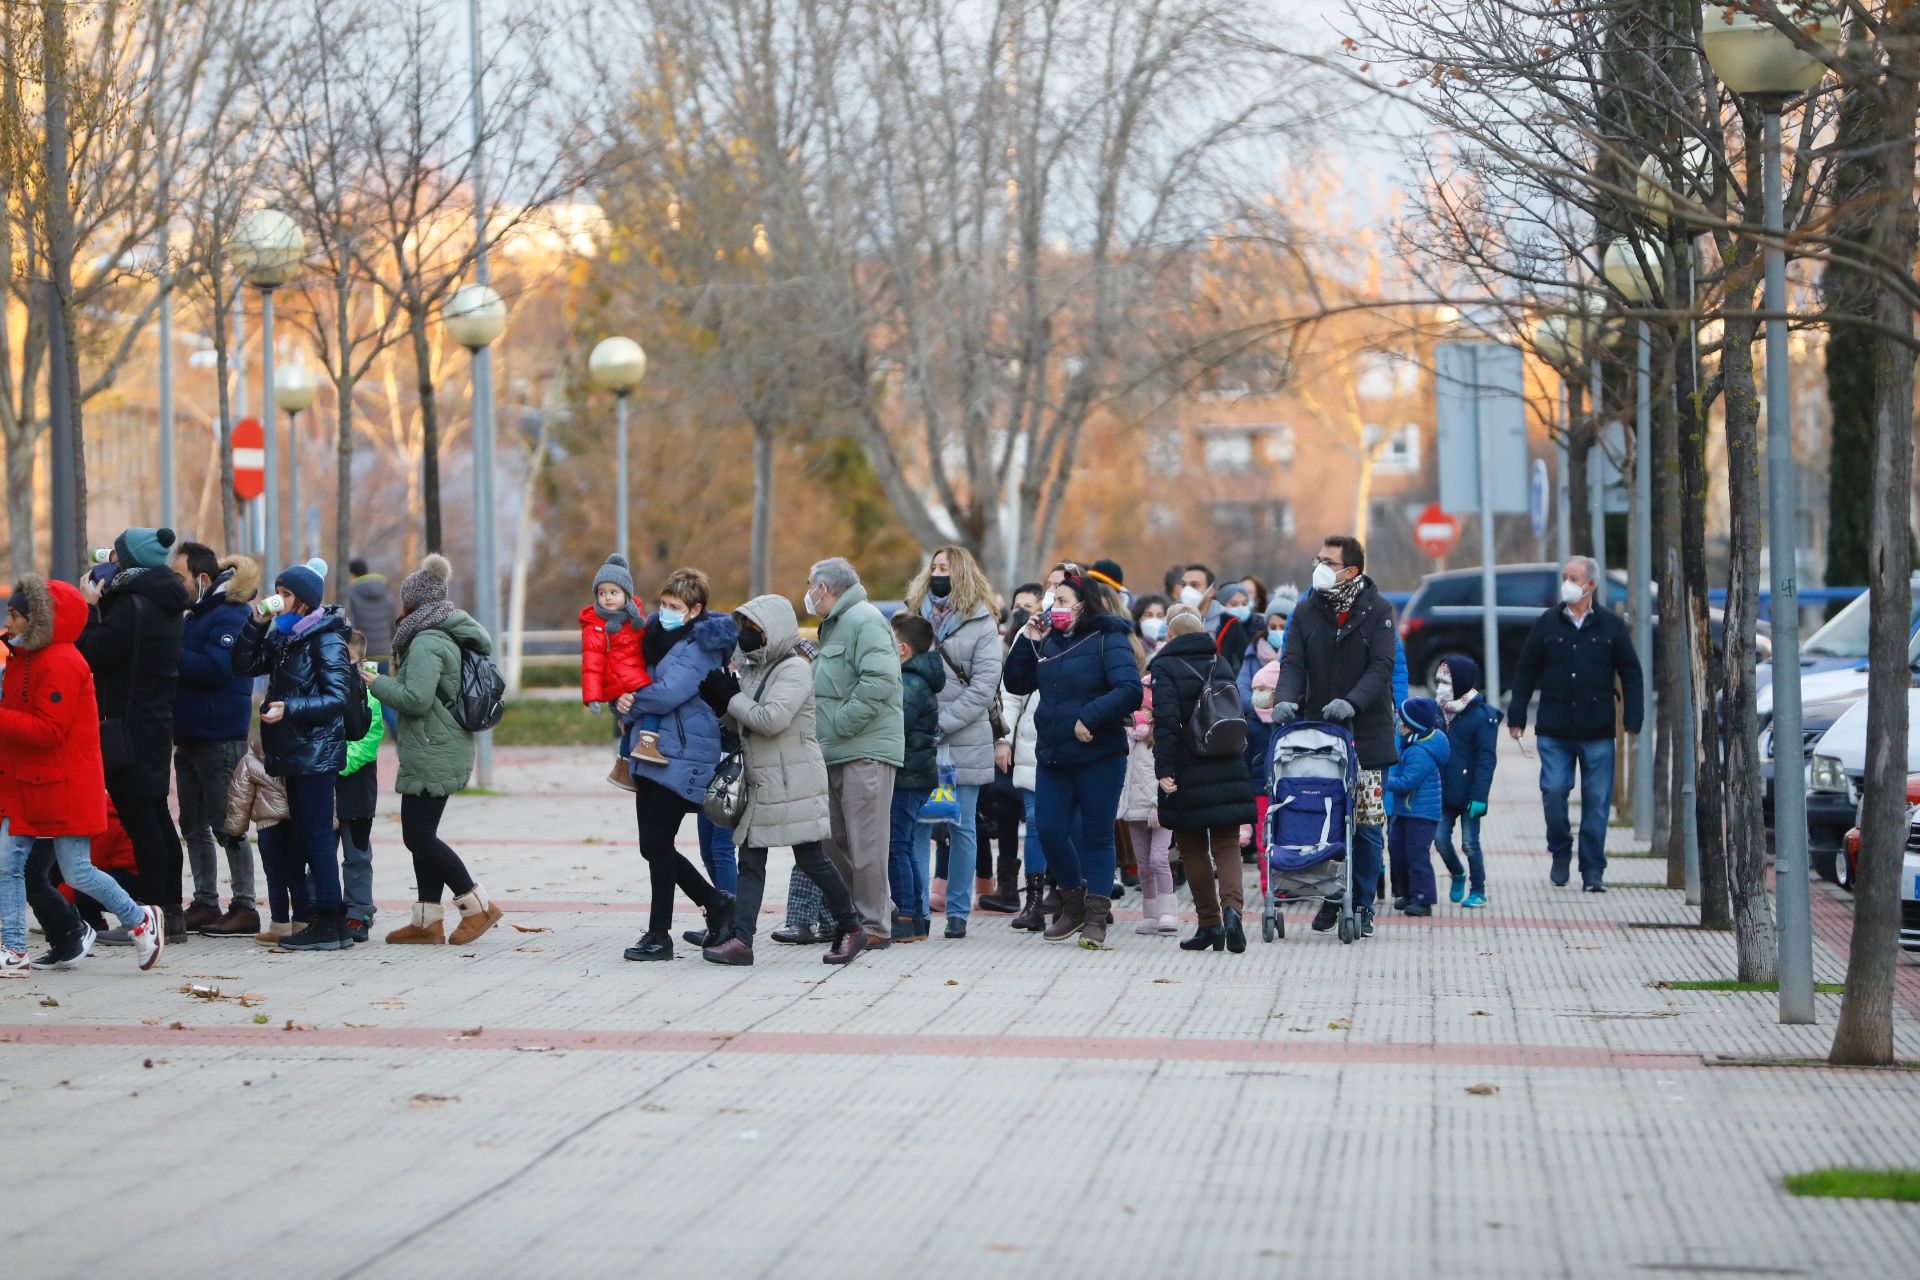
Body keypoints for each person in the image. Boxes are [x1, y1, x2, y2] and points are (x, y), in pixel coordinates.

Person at [0, 574, 165, 972]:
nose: (8, 624)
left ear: (38, 620)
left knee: (78, 871)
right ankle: (14, 948)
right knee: (8, 864)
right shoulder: (29, 658)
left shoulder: (61, 662)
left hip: (62, 786)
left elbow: (48, 730)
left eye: (16, 616)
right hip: (31, 784)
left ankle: (141, 921)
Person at [696, 594, 865, 966]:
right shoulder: (752, 668)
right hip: (762, 779)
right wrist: (720, 705)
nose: (747, 635)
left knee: (812, 859)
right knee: (751, 860)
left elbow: (771, 720)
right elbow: (744, 724)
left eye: (755, 629)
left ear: (773, 631)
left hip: (793, 778)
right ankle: (742, 941)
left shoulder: (794, 669)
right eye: (745, 628)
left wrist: (732, 700)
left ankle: (851, 926)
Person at [362, 555, 503, 946]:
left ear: (415, 604)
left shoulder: (426, 641)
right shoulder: (442, 633)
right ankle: (427, 920)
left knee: (419, 836)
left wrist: (374, 681)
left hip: (432, 746)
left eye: (404, 601)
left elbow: (415, 698)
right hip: (436, 745)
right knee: (419, 833)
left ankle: (477, 905)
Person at [1002, 569, 1142, 947]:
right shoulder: (1047, 638)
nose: (1054, 606)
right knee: (1047, 829)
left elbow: (1130, 690)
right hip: (1054, 753)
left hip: (1099, 753)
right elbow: (1017, 683)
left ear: (1084, 605)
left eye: (1062, 600)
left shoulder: (1108, 636)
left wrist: (1090, 717)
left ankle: (1095, 917)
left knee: (1096, 835)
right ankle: (1073, 901)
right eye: (1052, 598)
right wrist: (1025, 642)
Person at [1272, 535, 1399, 939]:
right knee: (1324, 815)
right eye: (1319, 559)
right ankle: (1330, 893)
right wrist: (1285, 700)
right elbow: (1292, 662)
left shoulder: (1378, 610)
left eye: (1329, 561)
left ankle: (1360, 900)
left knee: (1363, 823)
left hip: (1366, 734)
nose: (1320, 566)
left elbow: (1381, 667)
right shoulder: (1307, 610)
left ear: (1352, 570)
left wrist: (1353, 702)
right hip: (1319, 736)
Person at [229, 560, 358, 951]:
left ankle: (329, 922)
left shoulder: (327, 639)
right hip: (294, 752)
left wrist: (292, 707)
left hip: (316, 753)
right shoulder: (286, 638)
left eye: (285, 595)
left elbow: (338, 697)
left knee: (318, 839)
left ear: (304, 601)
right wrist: (255, 622)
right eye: (278, 593)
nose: (278, 601)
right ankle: (330, 925)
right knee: (309, 837)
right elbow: (244, 664)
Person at [610, 566, 738, 960]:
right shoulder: (651, 638)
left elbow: (669, 694)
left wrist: (632, 700)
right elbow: (631, 677)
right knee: (653, 846)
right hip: (648, 749)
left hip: (682, 752)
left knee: (656, 843)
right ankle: (715, 905)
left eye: (675, 606)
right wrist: (622, 698)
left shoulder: (702, 645)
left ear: (695, 609)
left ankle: (660, 935)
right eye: (663, 603)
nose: (665, 611)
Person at [1505, 555, 1644, 892]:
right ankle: (1560, 848)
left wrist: (1633, 717)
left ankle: (1593, 869)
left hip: (1597, 730)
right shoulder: (1547, 623)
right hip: (1554, 728)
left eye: (1574, 577)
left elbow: (1631, 671)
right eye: (1565, 576)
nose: (1567, 581)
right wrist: (1518, 715)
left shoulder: (1611, 625)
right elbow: (1525, 670)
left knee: (1597, 802)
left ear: (1590, 585)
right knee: (1553, 791)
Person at [78, 526, 190, 941]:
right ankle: (170, 913)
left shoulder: (132, 606)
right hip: (153, 722)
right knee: (156, 817)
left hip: (127, 727)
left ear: (128, 561)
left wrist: (90, 607)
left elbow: (92, 653)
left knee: (143, 823)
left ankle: (151, 919)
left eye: (117, 555)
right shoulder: (163, 600)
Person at [905, 545, 1003, 937]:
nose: (938, 573)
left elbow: (983, 687)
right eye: (934, 567)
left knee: (962, 827)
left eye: (945, 567)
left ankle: (959, 911)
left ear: (961, 572)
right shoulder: (913, 615)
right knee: (916, 825)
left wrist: (941, 722)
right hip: (919, 738)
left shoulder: (982, 621)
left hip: (964, 736)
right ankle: (916, 907)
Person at [806, 557, 904, 948]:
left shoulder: (863, 620)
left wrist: (841, 724)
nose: (808, 593)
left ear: (824, 588)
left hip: (863, 750)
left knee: (867, 844)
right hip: (834, 751)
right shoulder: (834, 625)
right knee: (832, 838)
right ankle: (875, 908)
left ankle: (875, 925)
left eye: (810, 584)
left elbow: (879, 680)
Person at [1151, 607, 1257, 952]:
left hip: (1187, 764)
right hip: (1226, 761)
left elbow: (1165, 722)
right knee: (1226, 844)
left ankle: (1209, 924)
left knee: (1192, 847)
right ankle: (1233, 912)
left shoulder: (1164, 667)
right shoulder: (1219, 661)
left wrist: (1164, 769)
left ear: (1170, 636)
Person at [171, 543, 262, 938]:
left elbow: (216, 668)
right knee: (192, 824)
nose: (175, 585)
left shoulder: (232, 615)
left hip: (220, 736)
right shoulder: (197, 615)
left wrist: (169, 650)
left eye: (180, 577)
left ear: (202, 579)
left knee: (230, 825)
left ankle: (244, 906)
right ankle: (206, 902)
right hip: (189, 735)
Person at [886, 613, 944, 942]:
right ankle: (917, 918)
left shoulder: (910, 683)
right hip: (915, 774)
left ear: (903, 649)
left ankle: (906, 915)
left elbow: (896, 726)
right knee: (904, 846)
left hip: (908, 775)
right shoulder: (916, 677)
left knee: (897, 847)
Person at [1434, 654, 1499, 908]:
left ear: (1460, 684)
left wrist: (1480, 796)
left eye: (1446, 683)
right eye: (1438, 681)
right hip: (1445, 790)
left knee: (1470, 843)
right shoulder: (1438, 712)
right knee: (1439, 838)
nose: (1440, 688)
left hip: (1471, 794)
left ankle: (1479, 889)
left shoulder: (1482, 717)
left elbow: (1486, 760)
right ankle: (1457, 873)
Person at [1120, 633, 1174, 935]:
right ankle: (1151, 913)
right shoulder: (1127, 737)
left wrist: (1159, 803)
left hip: (1158, 806)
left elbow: (1165, 772)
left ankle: (1168, 912)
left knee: (1159, 859)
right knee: (1142, 863)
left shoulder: (1161, 739)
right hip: (1133, 808)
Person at [222, 737, 295, 943]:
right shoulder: (300, 753)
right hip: (296, 824)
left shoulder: (250, 760)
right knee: (297, 876)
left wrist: (234, 831)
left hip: (268, 827)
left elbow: (240, 798)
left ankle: (280, 926)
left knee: (275, 878)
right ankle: (302, 923)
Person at [337, 630, 385, 941]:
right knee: (319, 852)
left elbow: (368, 741)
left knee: (357, 855)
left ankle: (359, 911)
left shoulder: (370, 696)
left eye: (348, 661)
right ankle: (320, 907)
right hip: (323, 787)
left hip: (356, 790)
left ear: (361, 662)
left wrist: (334, 763)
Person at [1385, 696, 1449, 916]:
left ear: (1413, 726)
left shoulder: (1420, 752)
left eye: (1402, 721)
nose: (1398, 725)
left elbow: (1407, 782)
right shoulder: (1412, 744)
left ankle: (1423, 897)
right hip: (1407, 810)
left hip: (1421, 813)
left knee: (1416, 854)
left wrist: (1382, 781)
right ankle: (1407, 892)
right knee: (1397, 849)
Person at [1212, 581, 1255, 670]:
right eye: (1234, 604)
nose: (1240, 608)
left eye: (1244, 604)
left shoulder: (1258, 626)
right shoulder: (1216, 629)